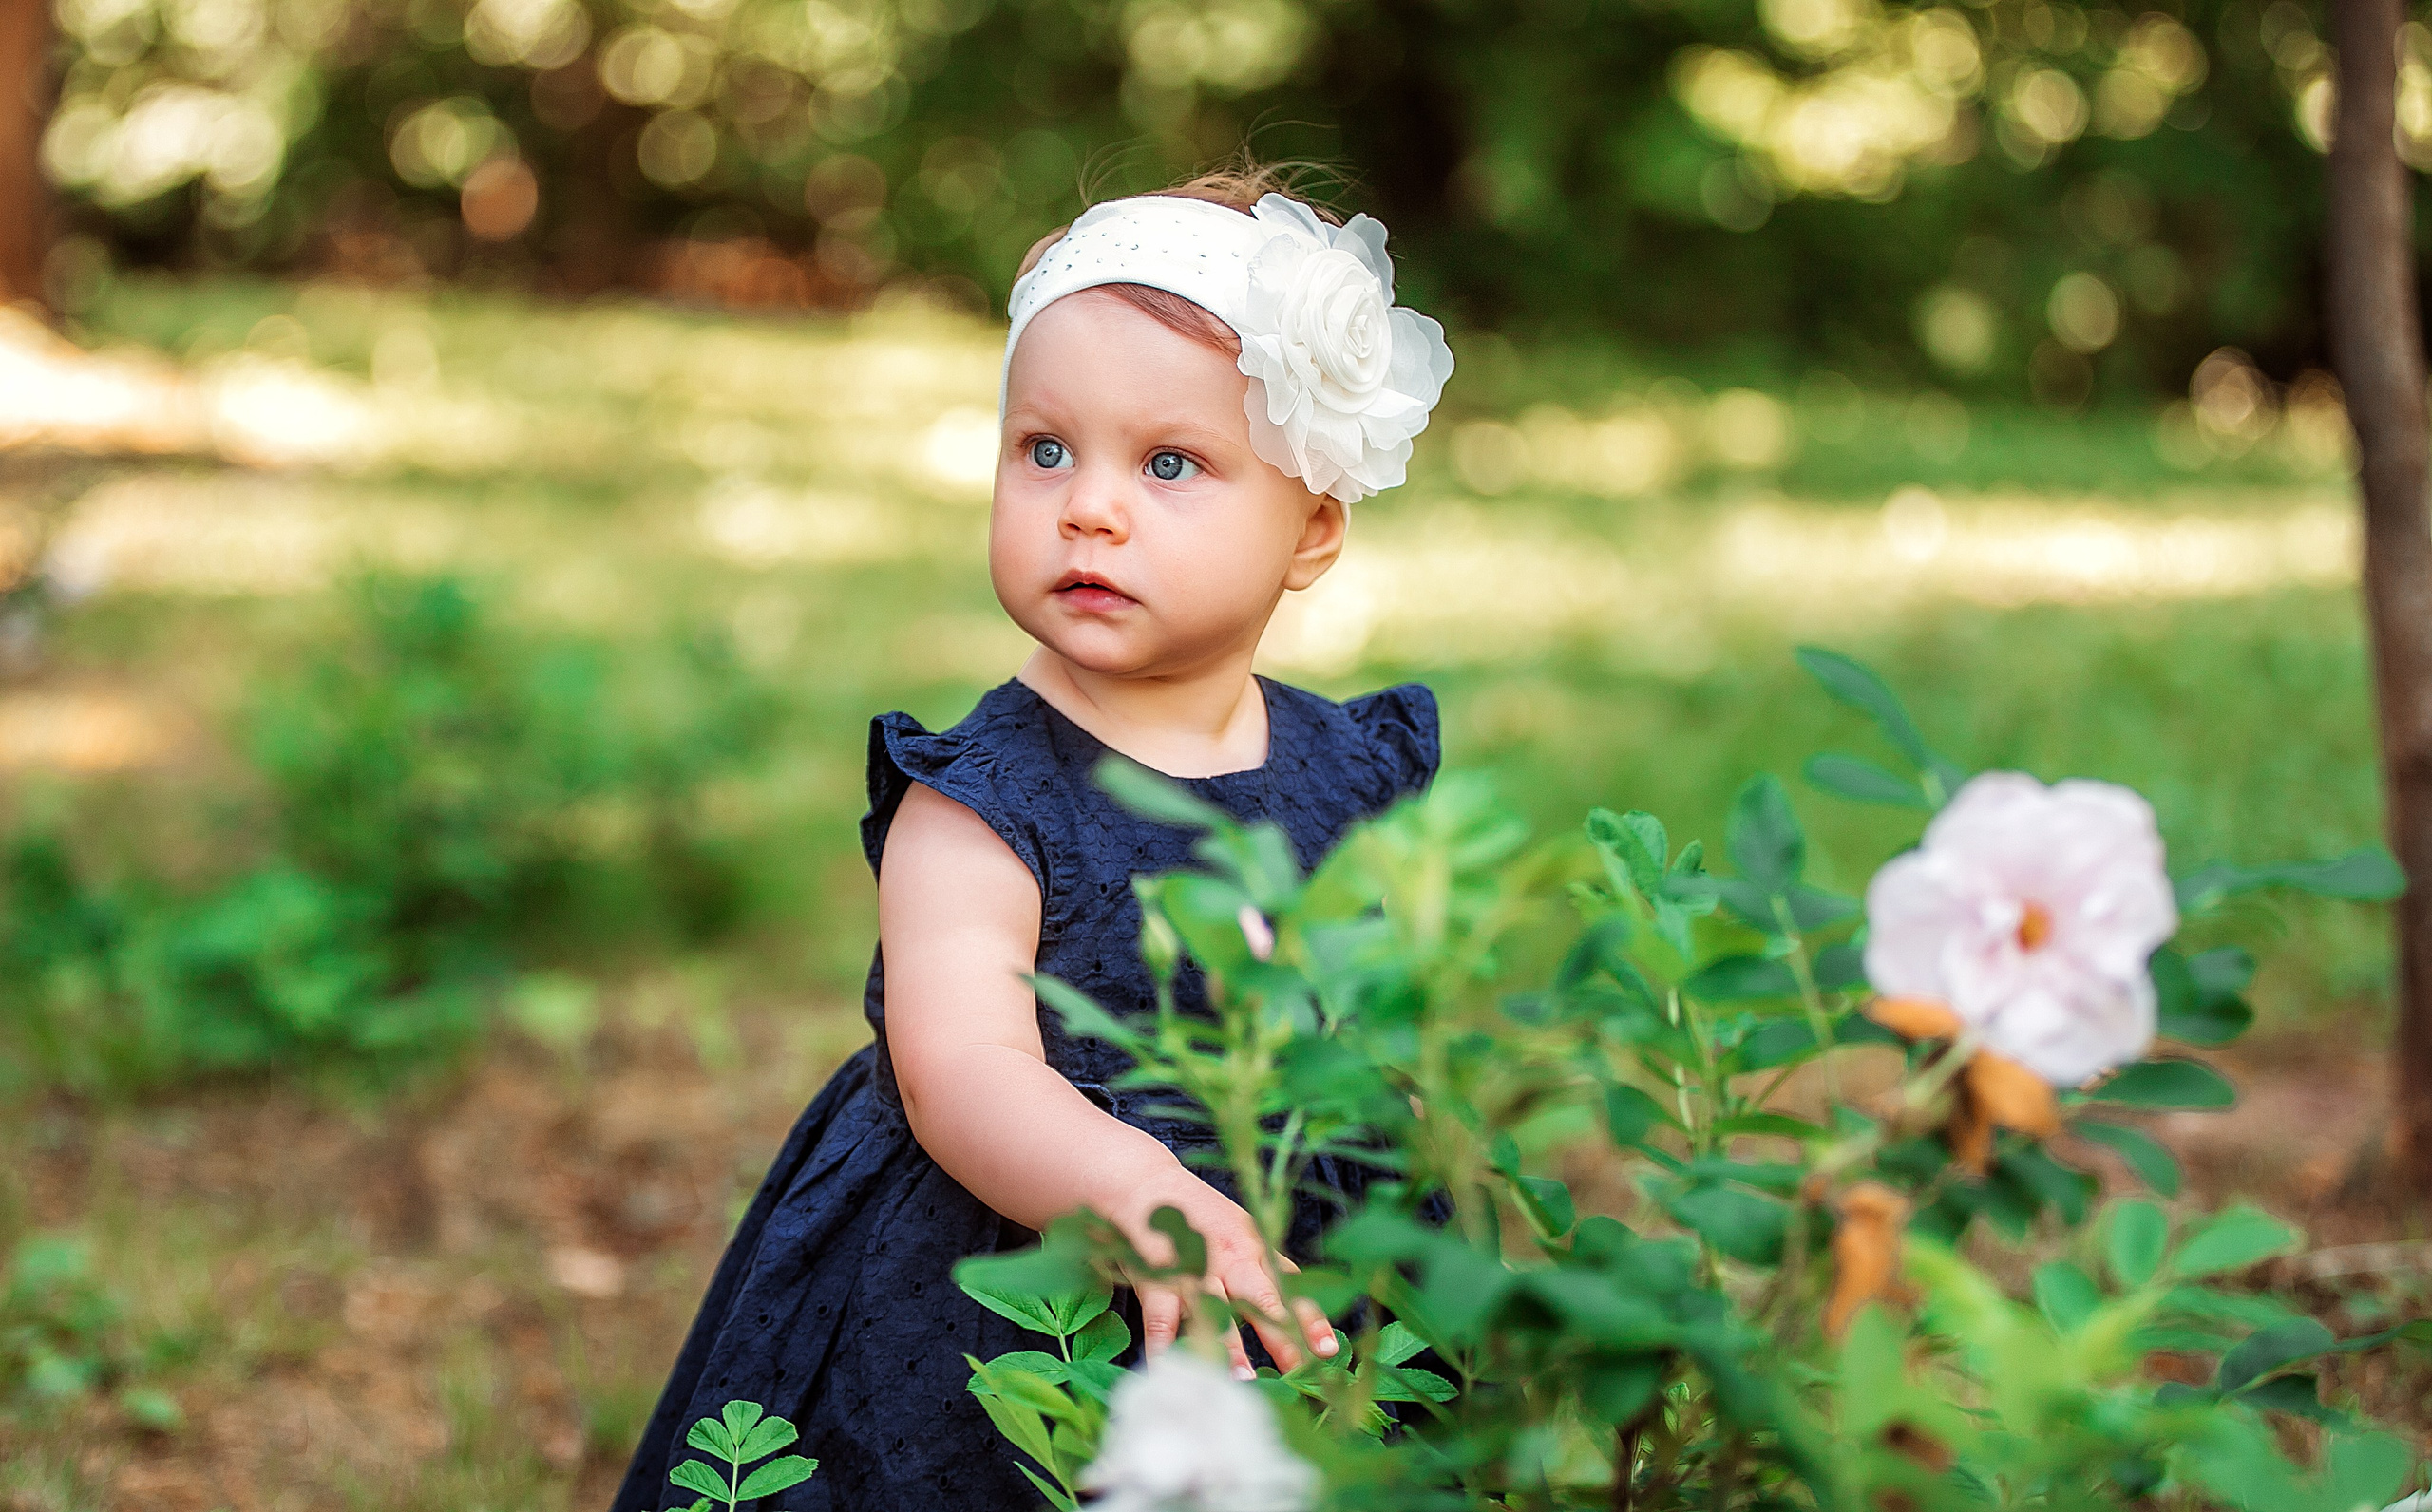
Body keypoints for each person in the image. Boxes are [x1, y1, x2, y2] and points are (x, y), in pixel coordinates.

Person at [609, 163, 1455, 1512]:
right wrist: (1135, 1189)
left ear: (1312, 531)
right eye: (1044, 448)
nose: (1089, 506)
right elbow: (960, 1070)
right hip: (1003, 1284)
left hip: (1289, 1247)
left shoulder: (1347, 772)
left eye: (1169, 463)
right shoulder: (983, 799)